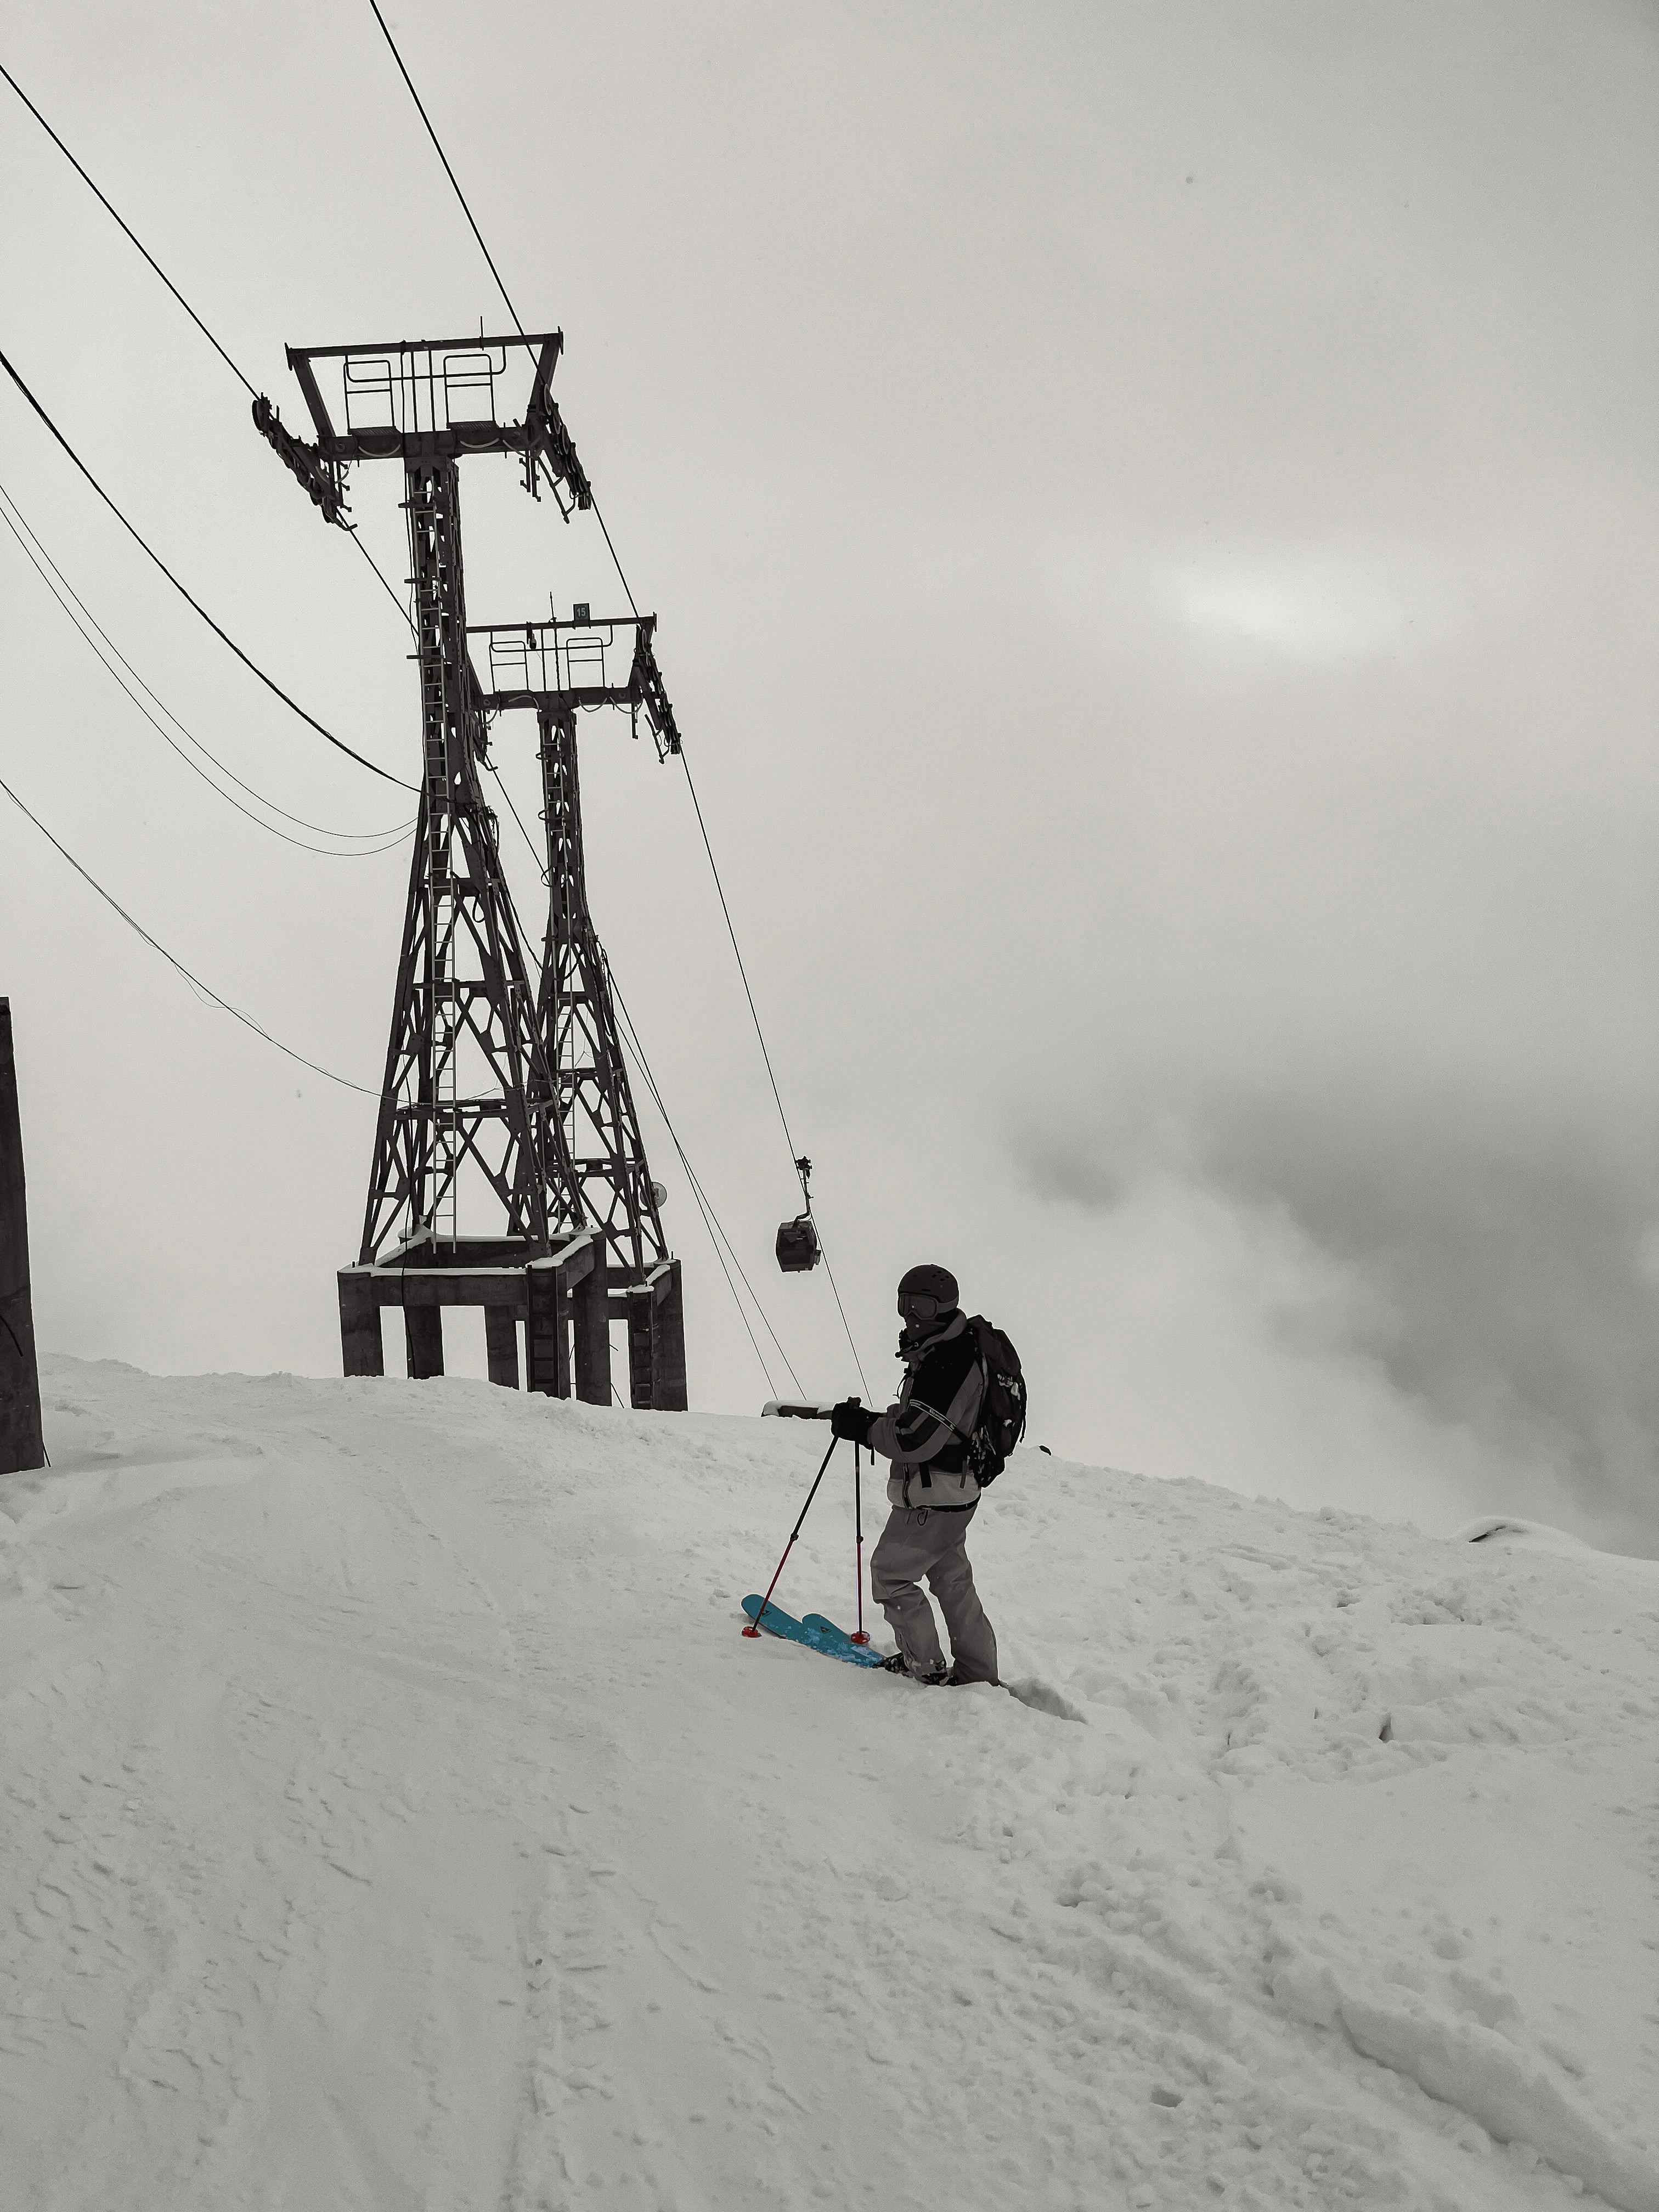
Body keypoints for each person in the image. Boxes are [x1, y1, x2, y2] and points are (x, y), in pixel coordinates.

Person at [831, 1263, 999, 1686]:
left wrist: (865, 1429)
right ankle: (978, 1675)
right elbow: (918, 1421)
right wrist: (872, 1420)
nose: (911, 1316)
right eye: (904, 1305)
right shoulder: (946, 1350)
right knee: (953, 1582)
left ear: (944, 1307)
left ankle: (922, 1666)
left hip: (933, 1494)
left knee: (891, 1576)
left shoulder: (948, 1361)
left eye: (921, 1306)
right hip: (953, 1490)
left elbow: (915, 1439)